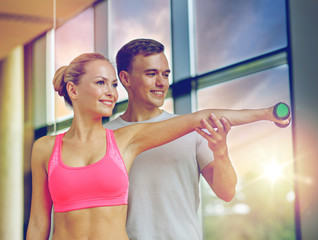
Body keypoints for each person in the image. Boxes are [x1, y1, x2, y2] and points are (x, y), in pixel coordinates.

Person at [26, 52, 289, 240]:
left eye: (113, 85)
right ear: (73, 90)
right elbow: (38, 223)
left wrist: (266, 113)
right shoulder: (45, 148)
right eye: (100, 83)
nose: (111, 92)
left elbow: (200, 117)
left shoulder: (124, 140)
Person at [104, 39, 290, 240]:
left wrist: (221, 152)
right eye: (151, 74)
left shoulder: (191, 130)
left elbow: (226, 192)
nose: (162, 82)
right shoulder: (104, 137)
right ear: (126, 78)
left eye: (165, 74)